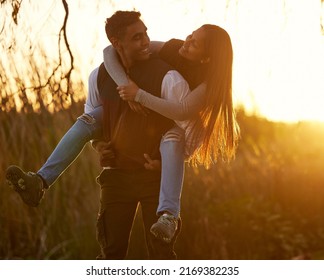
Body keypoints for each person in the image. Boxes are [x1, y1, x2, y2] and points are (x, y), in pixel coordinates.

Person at [6, 16, 239, 245]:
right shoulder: (172, 48)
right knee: (86, 120)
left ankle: (169, 216)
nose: (187, 41)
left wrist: (139, 96)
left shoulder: (203, 83)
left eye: (194, 43)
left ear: (206, 58)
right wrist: (124, 86)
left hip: (168, 125)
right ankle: (40, 181)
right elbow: (109, 52)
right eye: (191, 35)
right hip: (121, 141)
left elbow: (183, 113)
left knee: (173, 140)